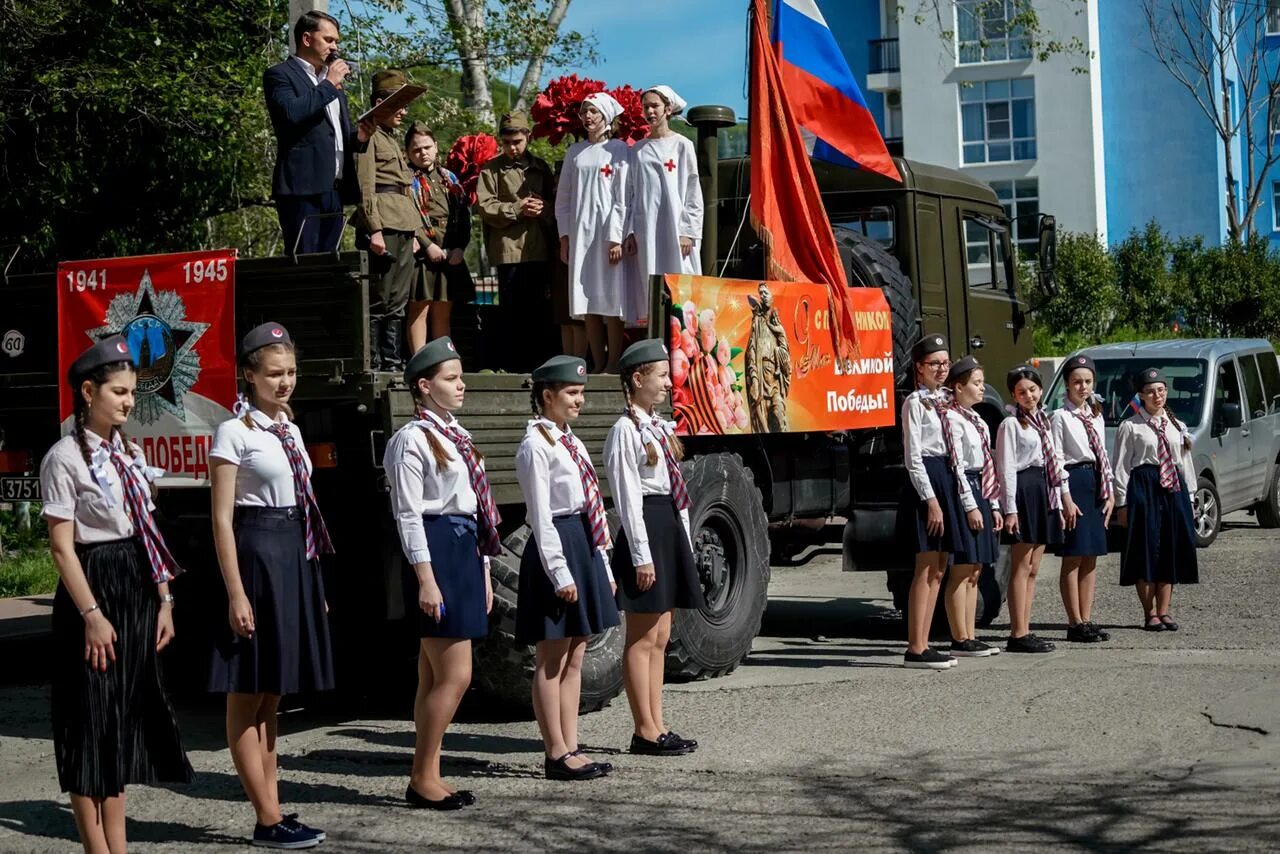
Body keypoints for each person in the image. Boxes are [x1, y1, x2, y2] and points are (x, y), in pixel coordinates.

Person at [40, 336, 192, 854]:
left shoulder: (129, 452)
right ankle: (95, 848)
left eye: (131, 392)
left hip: (135, 582)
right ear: (88, 391)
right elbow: (62, 548)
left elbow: (147, 531)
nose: (129, 402)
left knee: (120, 721)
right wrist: (92, 615)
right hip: (93, 585)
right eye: (119, 391)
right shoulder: (63, 457)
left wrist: (165, 599)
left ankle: (119, 847)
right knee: (88, 722)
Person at [208, 323, 335, 849]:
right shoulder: (233, 432)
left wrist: (313, 582)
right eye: (274, 374)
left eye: (291, 373)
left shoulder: (289, 427)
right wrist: (236, 592)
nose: (285, 383)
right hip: (256, 555)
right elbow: (220, 520)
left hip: (292, 556)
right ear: (249, 374)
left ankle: (275, 808)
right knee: (247, 694)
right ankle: (265, 819)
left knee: (272, 698)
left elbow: (304, 507)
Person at [384, 338, 496, 810]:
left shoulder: (457, 435)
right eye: (451, 379)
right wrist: (426, 579)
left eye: (461, 376)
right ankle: (420, 775)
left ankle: (429, 772)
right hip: (437, 554)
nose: (461, 385)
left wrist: (486, 569)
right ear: (424, 386)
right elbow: (409, 515)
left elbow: (476, 509)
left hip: (462, 550)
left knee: (433, 676)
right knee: (455, 673)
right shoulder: (410, 439)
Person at [514, 355, 621, 780]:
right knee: (551, 657)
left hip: (582, 542)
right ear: (547, 396)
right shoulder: (536, 445)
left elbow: (590, 505)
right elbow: (541, 516)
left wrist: (603, 566)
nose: (580, 400)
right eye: (572, 393)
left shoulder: (568, 440)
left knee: (577, 652)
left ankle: (572, 744)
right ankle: (554, 752)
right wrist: (559, 572)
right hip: (555, 547)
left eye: (581, 393)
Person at [604, 339, 704, 755]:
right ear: (637, 378)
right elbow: (628, 497)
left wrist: (685, 543)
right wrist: (641, 555)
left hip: (667, 526)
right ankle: (643, 728)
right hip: (645, 528)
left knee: (662, 634)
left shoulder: (658, 427)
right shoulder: (624, 431)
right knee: (643, 636)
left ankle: (658, 723)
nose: (668, 382)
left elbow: (675, 492)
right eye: (661, 375)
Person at [264, 10, 371, 255]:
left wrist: (359, 137)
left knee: (328, 266)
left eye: (336, 42)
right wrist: (328, 84)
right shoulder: (280, 75)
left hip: (333, 190)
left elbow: (332, 134)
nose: (334, 48)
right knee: (305, 266)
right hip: (302, 190)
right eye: (329, 40)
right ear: (306, 39)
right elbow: (291, 113)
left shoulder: (331, 82)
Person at [997, 365, 1078, 654]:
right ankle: (1017, 632)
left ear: (1041, 390)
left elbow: (1055, 459)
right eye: (1021, 391)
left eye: (1032, 389)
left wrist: (1062, 495)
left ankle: (1026, 629)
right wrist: (1010, 508)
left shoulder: (1042, 420)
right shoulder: (1011, 424)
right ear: (1013, 396)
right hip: (1023, 489)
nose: (1028, 395)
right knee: (1020, 564)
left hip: (1044, 488)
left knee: (1033, 567)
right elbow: (1006, 468)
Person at [1113, 367, 1199, 631]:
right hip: (1144, 488)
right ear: (1141, 395)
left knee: (1170, 549)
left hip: (1173, 489)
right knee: (1146, 549)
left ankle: (1164, 611)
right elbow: (1121, 467)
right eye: (1150, 392)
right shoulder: (1131, 426)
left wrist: (1191, 496)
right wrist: (1122, 503)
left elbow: (1185, 463)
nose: (1157, 395)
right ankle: (1149, 612)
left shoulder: (1177, 425)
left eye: (1160, 390)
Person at [896, 334, 961, 670]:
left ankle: (925, 643)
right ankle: (916, 646)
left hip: (946, 477)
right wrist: (931, 500)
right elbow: (914, 457)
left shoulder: (947, 402)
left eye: (945, 363)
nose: (941, 369)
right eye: (934, 363)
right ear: (919, 368)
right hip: (927, 482)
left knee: (939, 566)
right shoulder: (915, 404)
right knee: (925, 566)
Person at [476, 111, 557, 372]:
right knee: (511, 312)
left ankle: (538, 364)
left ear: (528, 138)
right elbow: (486, 208)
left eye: (518, 142)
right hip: (509, 251)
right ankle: (511, 366)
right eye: (507, 142)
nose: (513, 148)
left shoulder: (541, 168)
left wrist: (542, 208)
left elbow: (557, 207)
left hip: (539, 250)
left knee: (538, 311)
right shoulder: (491, 170)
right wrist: (517, 209)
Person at [555, 92, 630, 372]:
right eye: (584, 112)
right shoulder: (575, 152)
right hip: (582, 233)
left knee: (611, 298)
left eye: (593, 112)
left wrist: (616, 236)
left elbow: (623, 196)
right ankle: (597, 363)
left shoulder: (620, 150)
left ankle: (613, 361)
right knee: (588, 300)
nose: (587, 117)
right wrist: (565, 236)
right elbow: (564, 198)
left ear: (607, 117)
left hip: (607, 232)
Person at [354, 70, 422, 373]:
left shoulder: (391, 139)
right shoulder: (368, 135)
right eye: (397, 105)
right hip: (384, 221)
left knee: (398, 300)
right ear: (380, 104)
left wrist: (415, 229)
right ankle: (376, 362)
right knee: (379, 299)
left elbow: (404, 187)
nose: (403, 112)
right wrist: (375, 229)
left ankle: (392, 362)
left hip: (403, 221)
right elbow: (366, 185)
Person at [623, 85, 703, 328]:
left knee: (679, 281)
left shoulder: (682, 145)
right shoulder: (637, 150)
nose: (649, 111)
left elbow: (692, 189)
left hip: (676, 228)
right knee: (650, 281)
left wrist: (688, 230)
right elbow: (631, 194)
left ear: (667, 109)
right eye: (645, 107)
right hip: (646, 229)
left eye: (654, 106)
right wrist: (629, 231)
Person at [940, 355, 1003, 658]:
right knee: (962, 568)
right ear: (958, 386)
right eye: (976, 383)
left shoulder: (976, 419)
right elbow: (957, 465)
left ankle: (971, 634)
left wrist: (992, 503)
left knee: (976, 569)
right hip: (965, 489)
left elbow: (987, 464)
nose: (981, 388)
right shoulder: (951, 419)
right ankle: (959, 637)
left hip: (981, 490)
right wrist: (970, 506)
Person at [1051, 355, 1115, 643]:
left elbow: (1102, 452)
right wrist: (1064, 496)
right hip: (1074, 481)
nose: (1083, 387)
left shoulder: (1095, 414)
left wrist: (1110, 490)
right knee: (1074, 554)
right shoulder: (1060, 417)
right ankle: (1073, 621)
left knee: (1091, 555)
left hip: (1095, 480)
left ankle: (1087, 619)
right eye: (1077, 382)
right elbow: (1057, 458)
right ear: (1066, 384)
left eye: (1088, 382)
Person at [406, 124, 474, 350]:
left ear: (436, 147)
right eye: (416, 149)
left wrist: (460, 247)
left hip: (450, 246)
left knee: (443, 307)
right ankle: (419, 360)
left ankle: (441, 360)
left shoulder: (450, 178)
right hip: (423, 249)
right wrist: (427, 245)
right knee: (420, 308)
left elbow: (464, 215)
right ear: (407, 152)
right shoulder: (407, 180)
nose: (423, 153)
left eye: (427, 147)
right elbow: (408, 214)